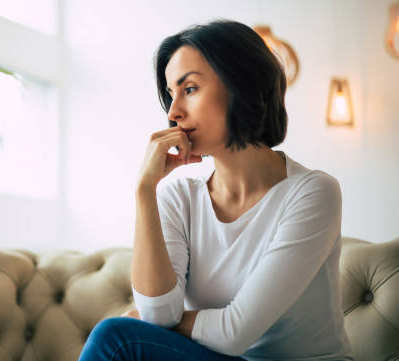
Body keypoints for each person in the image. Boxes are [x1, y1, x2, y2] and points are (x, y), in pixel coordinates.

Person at [78, 20, 353, 361]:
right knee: (116, 338)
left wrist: (154, 322)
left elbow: (233, 333)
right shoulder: (178, 197)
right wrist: (144, 191)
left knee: (117, 338)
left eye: (189, 89)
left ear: (242, 86)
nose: (173, 112)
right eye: (169, 94)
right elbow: (158, 315)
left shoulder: (313, 193)